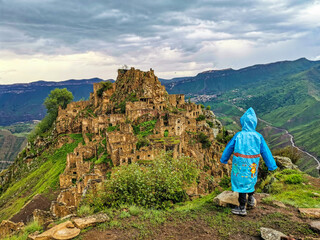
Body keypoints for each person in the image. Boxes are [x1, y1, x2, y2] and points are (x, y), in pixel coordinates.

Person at [220, 107, 277, 216]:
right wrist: (271, 165)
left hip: (239, 163)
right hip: (253, 163)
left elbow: (229, 148)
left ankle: (242, 208)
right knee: (250, 180)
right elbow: (266, 152)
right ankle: (250, 198)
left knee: (241, 184)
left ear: (243, 122)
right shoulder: (258, 136)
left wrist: (224, 159)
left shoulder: (239, 135)